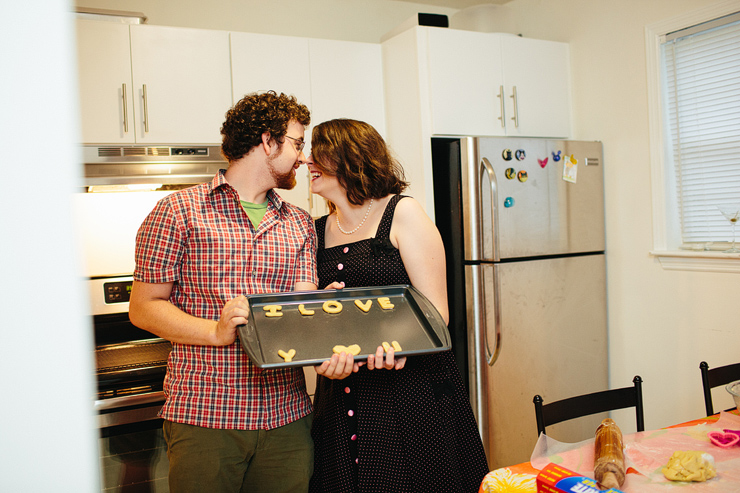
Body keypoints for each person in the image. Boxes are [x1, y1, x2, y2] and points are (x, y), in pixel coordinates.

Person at [128, 91, 318, 492]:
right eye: (298, 143)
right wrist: (214, 332)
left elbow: (301, 312)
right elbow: (143, 308)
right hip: (207, 415)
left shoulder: (300, 223)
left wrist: (324, 310)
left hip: (288, 417)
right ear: (268, 141)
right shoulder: (177, 211)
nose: (303, 157)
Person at [306, 118, 489, 492]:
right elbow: (314, 317)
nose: (308, 161)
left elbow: (436, 315)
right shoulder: (316, 228)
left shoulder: (403, 214)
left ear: (350, 156)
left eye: (318, 152)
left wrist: (394, 344)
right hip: (341, 398)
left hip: (409, 394)